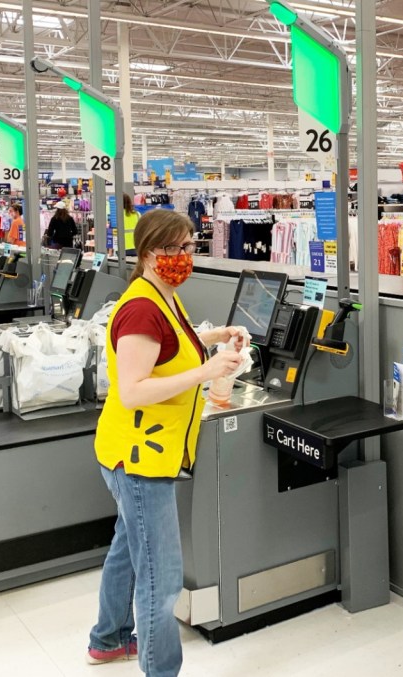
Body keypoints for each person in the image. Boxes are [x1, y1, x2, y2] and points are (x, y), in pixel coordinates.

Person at [87, 210, 249, 676]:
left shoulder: (161, 296)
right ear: (147, 253)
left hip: (138, 451)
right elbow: (133, 390)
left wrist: (213, 337)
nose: (183, 256)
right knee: (161, 579)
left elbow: (170, 344)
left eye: (188, 246)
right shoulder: (141, 308)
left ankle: (108, 639)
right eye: (172, 248)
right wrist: (207, 371)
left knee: (128, 547)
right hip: (140, 459)